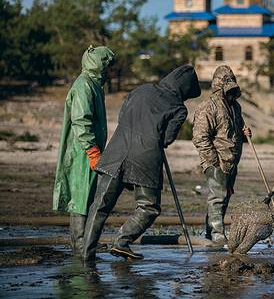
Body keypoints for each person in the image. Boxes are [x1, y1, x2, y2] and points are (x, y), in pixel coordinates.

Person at [82, 65, 201, 261]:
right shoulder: (179, 108)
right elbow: (166, 140)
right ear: (185, 89)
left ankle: (86, 254)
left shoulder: (141, 89)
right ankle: (121, 242)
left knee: (100, 205)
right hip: (145, 159)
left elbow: (122, 117)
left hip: (116, 151)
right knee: (149, 207)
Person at [53, 45, 115, 256]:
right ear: (99, 65)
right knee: (80, 198)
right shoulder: (84, 86)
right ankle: (81, 248)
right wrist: (92, 151)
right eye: (107, 66)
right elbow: (81, 121)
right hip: (81, 152)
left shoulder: (94, 85)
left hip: (89, 150)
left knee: (88, 197)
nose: (109, 71)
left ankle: (85, 246)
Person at [192, 65, 251, 247]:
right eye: (227, 85)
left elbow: (236, 131)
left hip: (232, 161)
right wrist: (213, 161)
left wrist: (245, 133)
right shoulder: (207, 107)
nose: (231, 89)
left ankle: (211, 233)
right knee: (217, 197)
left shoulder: (235, 107)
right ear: (218, 86)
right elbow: (200, 137)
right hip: (216, 160)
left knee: (224, 197)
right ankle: (217, 234)